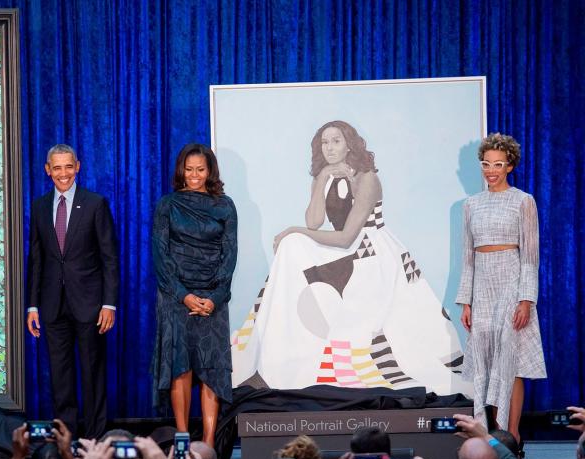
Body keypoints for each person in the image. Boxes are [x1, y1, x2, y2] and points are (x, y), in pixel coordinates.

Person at [231, 120, 468, 395]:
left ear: (349, 145)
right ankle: (275, 356)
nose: (330, 147)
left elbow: (347, 238)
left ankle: (326, 358)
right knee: (292, 247)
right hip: (344, 249)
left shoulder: (367, 178)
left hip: (371, 252)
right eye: (324, 142)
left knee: (295, 239)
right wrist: (321, 179)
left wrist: (295, 230)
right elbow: (315, 221)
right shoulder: (326, 176)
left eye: (336, 141)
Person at [455, 132, 547, 439]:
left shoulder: (524, 201)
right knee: (486, 362)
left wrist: (526, 299)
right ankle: (487, 435)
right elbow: (468, 257)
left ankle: (512, 436)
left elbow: (530, 257)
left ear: (509, 166)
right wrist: (465, 301)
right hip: (481, 287)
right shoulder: (471, 205)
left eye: (498, 164)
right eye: (485, 164)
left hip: (511, 283)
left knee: (511, 362)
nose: (491, 170)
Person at [26, 144, 119, 439]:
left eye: (68, 167)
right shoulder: (40, 207)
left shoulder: (95, 204)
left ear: (77, 166)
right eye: (57, 167)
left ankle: (94, 441)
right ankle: (66, 440)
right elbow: (36, 259)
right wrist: (32, 306)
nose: (63, 173)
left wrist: (109, 304)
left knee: (93, 376)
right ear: (47, 170)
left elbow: (109, 258)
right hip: (52, 306)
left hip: (90, 305)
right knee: (60, 378)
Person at [151, 143, 237, 446]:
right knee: (180, 367)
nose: (195, 175)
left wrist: (214, 298)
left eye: (200, 169)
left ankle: (210, 444)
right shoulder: (167, 205)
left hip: (214, 298)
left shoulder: (225, 206)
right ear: (181, 171)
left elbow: (230, 256)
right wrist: (184, 296)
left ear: (210, 170)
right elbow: (160, 258)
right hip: (177, 298)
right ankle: (184, 439)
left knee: (212, 369)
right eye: (189, 170)